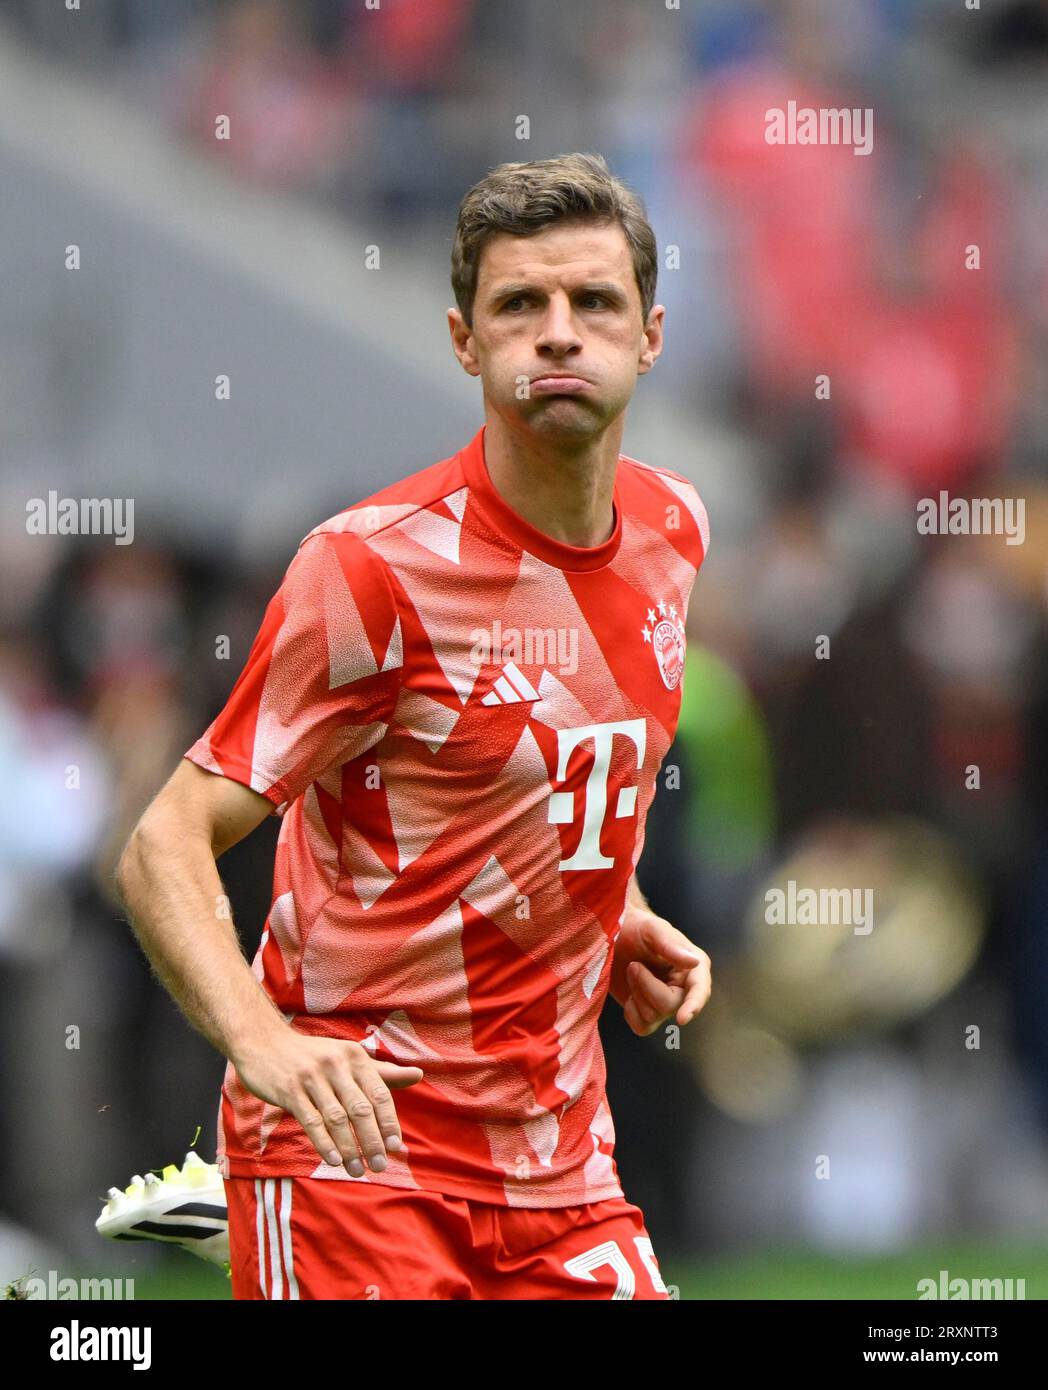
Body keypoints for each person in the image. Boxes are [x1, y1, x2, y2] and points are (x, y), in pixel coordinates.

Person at [115, 151, 712, 1300]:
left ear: (648, 336)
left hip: (559, 1162)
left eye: (592, 301)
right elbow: (163, 843)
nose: (556, 331)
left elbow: (548, 759)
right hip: (359, 1153)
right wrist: (264, 1046)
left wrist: (616, 906)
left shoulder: (674, 530)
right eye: (517, 305)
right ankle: (249, 1193)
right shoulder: (370, 569)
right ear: (462, 340)